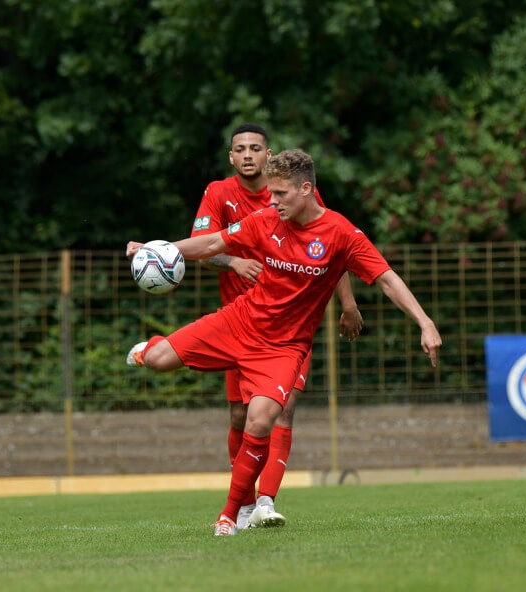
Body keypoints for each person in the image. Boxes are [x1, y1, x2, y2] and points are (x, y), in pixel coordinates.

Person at [127, 149, 441, 536]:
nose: (271, 201)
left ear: (306, 189)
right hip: (240, 322)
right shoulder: (266, 220)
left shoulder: (343, 235)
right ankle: (151, 346)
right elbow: (212, 244)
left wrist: (425, 323)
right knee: (158, 360)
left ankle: (228, 516)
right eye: (271, 194)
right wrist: (156, 250)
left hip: (284, 348)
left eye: (280, 194)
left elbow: (388, 279)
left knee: (261, 420)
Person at [191, 124, 363, 529]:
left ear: (269, 156)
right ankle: (245, 504)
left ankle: (267, 500)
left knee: (281, 410)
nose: (248, 155)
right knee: (239, 416)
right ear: (231, 158)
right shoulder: (219, 193)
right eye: (240, 149)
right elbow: (202, 244)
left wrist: (349, 303)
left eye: (256, 148)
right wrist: (234, 261)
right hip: (238, 323)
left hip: (289, 328)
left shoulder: (300, 193)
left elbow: (331, 248)